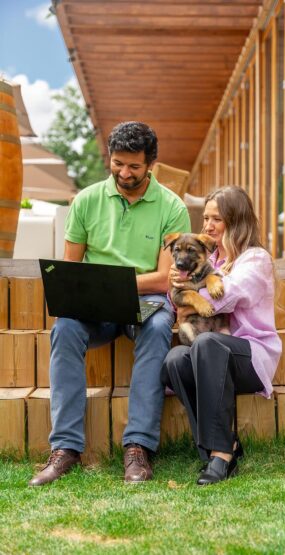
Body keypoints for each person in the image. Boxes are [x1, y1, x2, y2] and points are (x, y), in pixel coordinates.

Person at [29, 121, 191, 486]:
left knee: (159, 323)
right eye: (118, 163)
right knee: (66, 327)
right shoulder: (86, 200)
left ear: (150, 163)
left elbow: (166, 278)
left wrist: (122, 284)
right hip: (96, 305)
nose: (124, 172)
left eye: (134, 166)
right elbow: (70, 269)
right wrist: (90, 289)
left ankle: (138, 447)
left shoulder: (172, 207)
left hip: (145, 303)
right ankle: (65, 448)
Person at [161, 186, 281, 485]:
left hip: (250, 356)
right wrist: (179, 286)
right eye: (206, 218)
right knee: (176, 358)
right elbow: (179, 297)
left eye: (217, 219)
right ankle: (222, 446)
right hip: (211, 352)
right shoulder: (208, 257)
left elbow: (227, 298)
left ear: (236, 220)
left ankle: (221, 454)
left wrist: (190, 296)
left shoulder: (255, 259)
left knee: (207, 342)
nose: (208, 226)